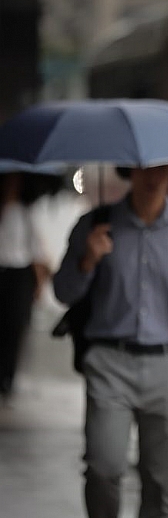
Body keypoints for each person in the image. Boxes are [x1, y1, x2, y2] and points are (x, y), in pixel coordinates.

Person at [52, 165, 168, 518]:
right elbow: (63, 291)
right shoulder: (96, 223)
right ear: (129, 172)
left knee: (159, 481)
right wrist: (87, 260)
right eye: (144, 170)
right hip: (109, 362)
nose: (153, 177)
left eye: (163, 171)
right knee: (102, 467)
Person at [0, 172, 52, 401]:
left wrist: (39, 284)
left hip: (18, 274)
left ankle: (7, 379)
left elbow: (37, 251)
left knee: (14, 327)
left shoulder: (26, 211)